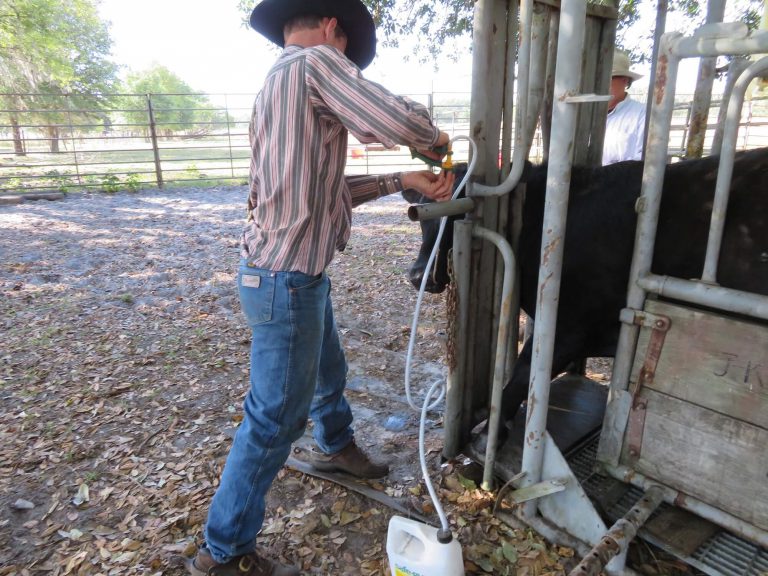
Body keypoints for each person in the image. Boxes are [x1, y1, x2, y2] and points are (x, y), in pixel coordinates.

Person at [185, 1, 455, 575]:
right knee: (273, 418)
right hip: (288, 278)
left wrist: (399, 179)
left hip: (279, 273)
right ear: (333, 28)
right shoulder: (315, 63)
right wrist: (434, 139)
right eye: (346, 51)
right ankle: (223, 552)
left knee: (328, 366)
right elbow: (399, 122)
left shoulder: (275, 85)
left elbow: (321, 192)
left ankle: (336, 445)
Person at [602, 50, 646, 165]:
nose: (600, 84)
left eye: (608, 78)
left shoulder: (642, 114)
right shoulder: (582, 114)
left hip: (621, 181)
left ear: (625, 80)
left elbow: (646, 159)